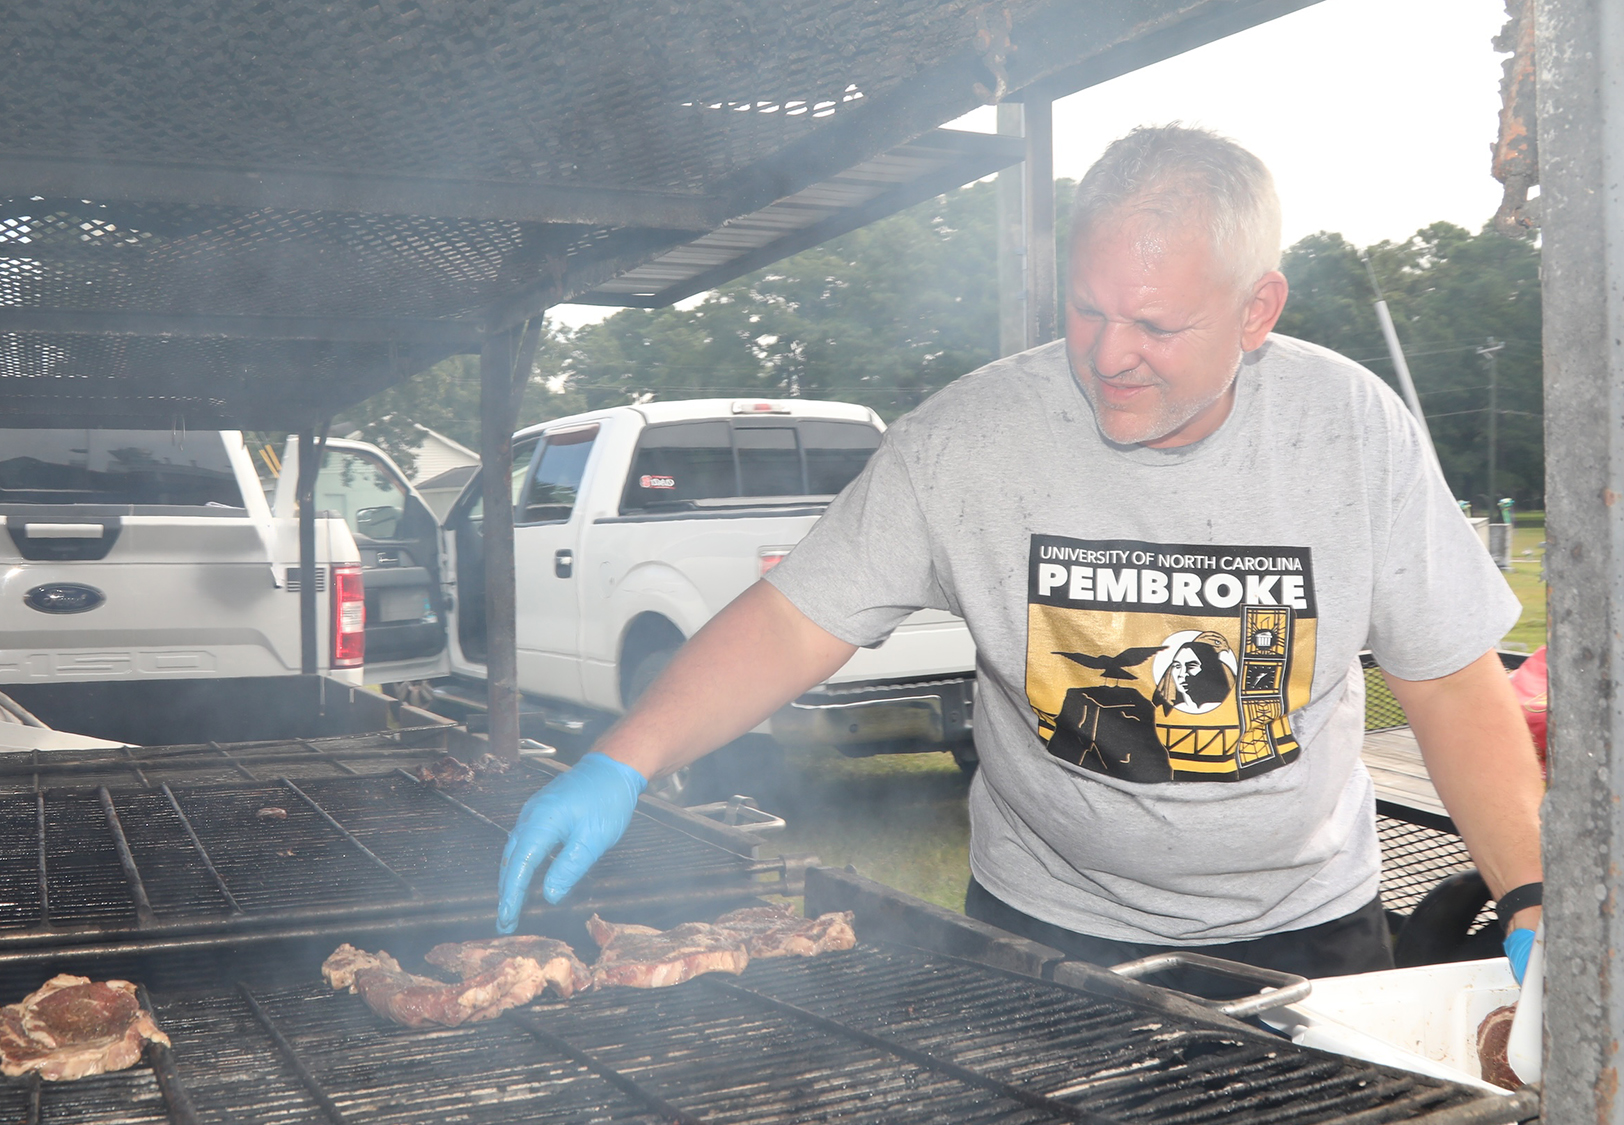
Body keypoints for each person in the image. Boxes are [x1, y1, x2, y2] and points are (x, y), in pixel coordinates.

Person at [496, 125, 1543, 982]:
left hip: (1305, 931)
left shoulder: (1349, 430)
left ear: (1255, 308)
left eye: (1154, 324)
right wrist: (618, 760)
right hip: (1040, 932)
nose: (1105, 354)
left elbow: (1447, 681)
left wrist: (1530, 893)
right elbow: (790, 620)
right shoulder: (967, 440)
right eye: (1084, 308)